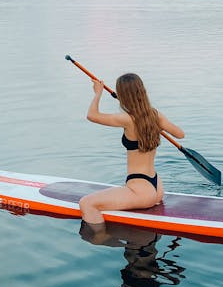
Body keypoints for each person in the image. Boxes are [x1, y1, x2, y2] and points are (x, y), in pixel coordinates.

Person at [79, 73, 184, 225]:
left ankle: (101, 238)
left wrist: (98, 93)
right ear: (142, 91)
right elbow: (180, 134)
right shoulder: (155, 115)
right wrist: (156, 124)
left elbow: (92, 115)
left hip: (141, 191)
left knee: (86, 203)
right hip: (157, 188)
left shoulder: (127, 119)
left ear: (122, 96)